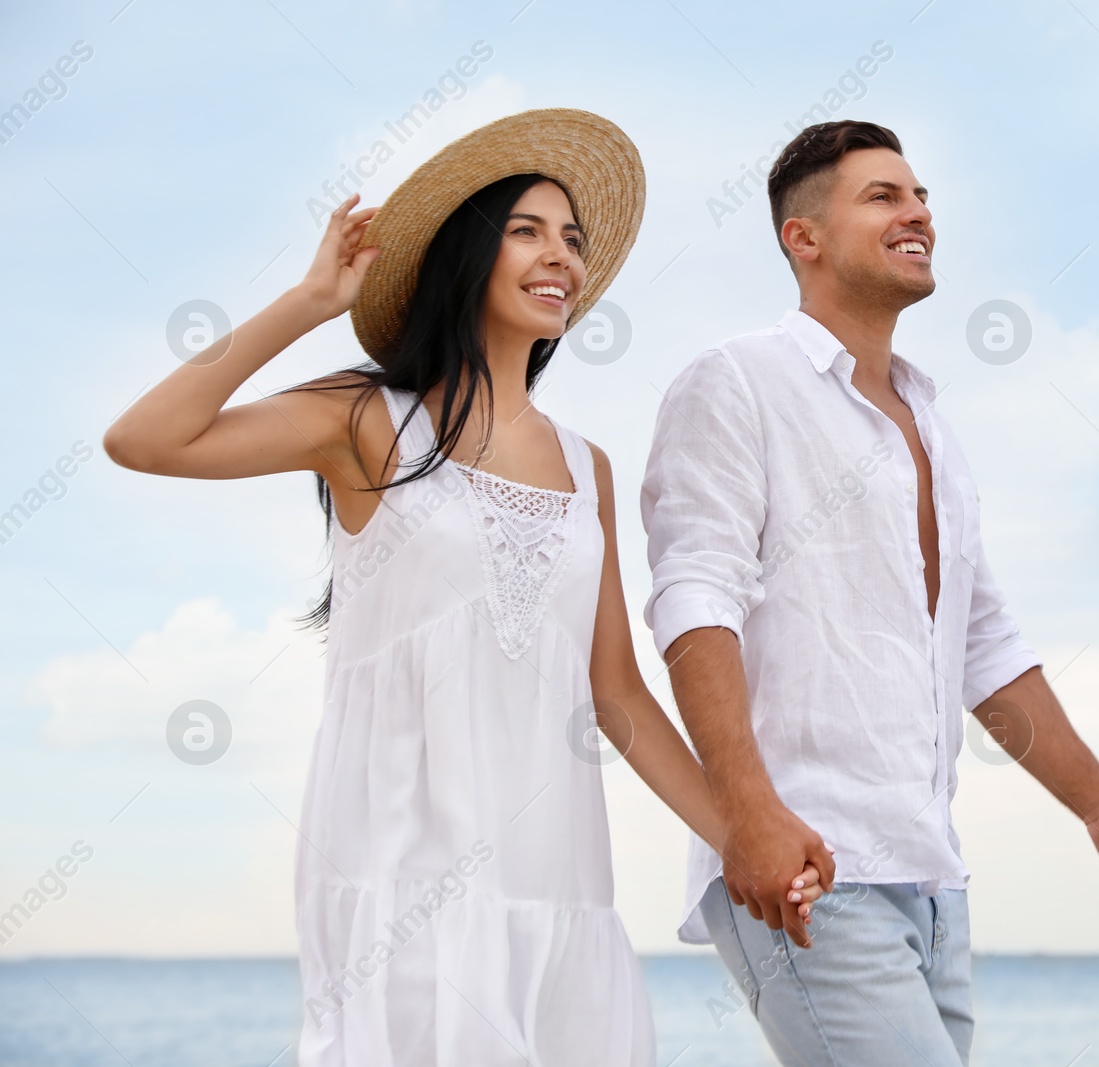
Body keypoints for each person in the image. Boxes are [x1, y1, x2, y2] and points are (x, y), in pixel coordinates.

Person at [102, 108, 825, 1067]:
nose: (559, 256)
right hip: (400, 877)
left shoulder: (587, 466)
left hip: (557, 880)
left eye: (572, 238)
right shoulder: (367, 417)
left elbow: (614, 693)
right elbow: (144, 439)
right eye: (526, 230)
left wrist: (740, 834)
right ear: (466, 256)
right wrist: (308, 303)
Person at [639, 119, 1099, 1065]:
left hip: (931, 878)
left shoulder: (928, 419)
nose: (918, 211)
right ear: (801, 238)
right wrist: (747, 814)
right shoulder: (737, 383)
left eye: (922, 195)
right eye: (883, 196)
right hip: (807, 865)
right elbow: (695, 604)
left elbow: (982, 644)